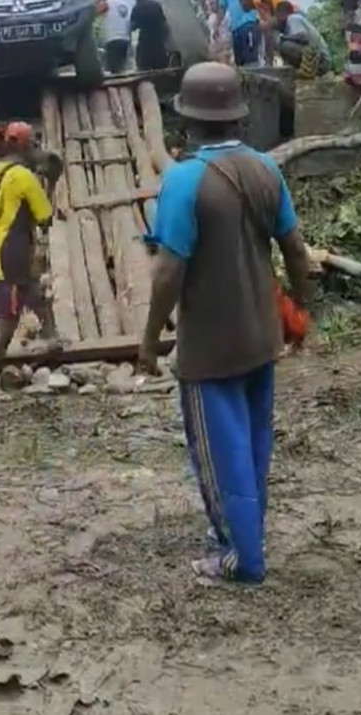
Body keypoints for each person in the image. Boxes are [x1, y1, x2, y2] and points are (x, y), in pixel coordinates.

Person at [138, 62, 312, 584]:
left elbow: (169, 270)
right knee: (254, 441)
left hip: (210, 343)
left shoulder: (184, 180)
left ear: (187, 120)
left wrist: (149, 341)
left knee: (219, 450)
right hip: (262, 333)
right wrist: (300, 309)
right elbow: (296, 251)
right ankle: (246, 534)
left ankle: (241, 559)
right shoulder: (265, 169)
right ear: (237, 115)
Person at [0, 121, 60, 388]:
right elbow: (45, 216)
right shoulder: (23, 176)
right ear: (24, 145)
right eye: (32, 143)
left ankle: (52, 338)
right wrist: (52, 183)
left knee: (32, 291)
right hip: (10, 252)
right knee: (8, 318)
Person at [216, 0, 262, 67]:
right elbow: (222, 7)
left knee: (251, 57)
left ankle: (255, 79)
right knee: (240, 61)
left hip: (250, 23)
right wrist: (217, 26)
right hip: (235, 28)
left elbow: (261, 0)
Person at [273, 1, 331, 78]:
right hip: (319, 60)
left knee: (284, 45)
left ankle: (308, 70)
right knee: (282, 44)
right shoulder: (287, 26)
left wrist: (283, 38)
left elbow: (303, 36)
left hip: (321, 60)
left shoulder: (293, 18)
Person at [130, 0, 169, 71]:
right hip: (158, 36)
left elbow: (133, 26)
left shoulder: (137, 7)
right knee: (160, 60)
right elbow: (164, 20)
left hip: (145, 37)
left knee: (144, 62)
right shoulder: (156, 4)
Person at [101, 0, 131, 74]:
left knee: (112, 66)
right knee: (121, 64)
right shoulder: (125, 5)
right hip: (125, 38)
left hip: (112, 37)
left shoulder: (107, 2)